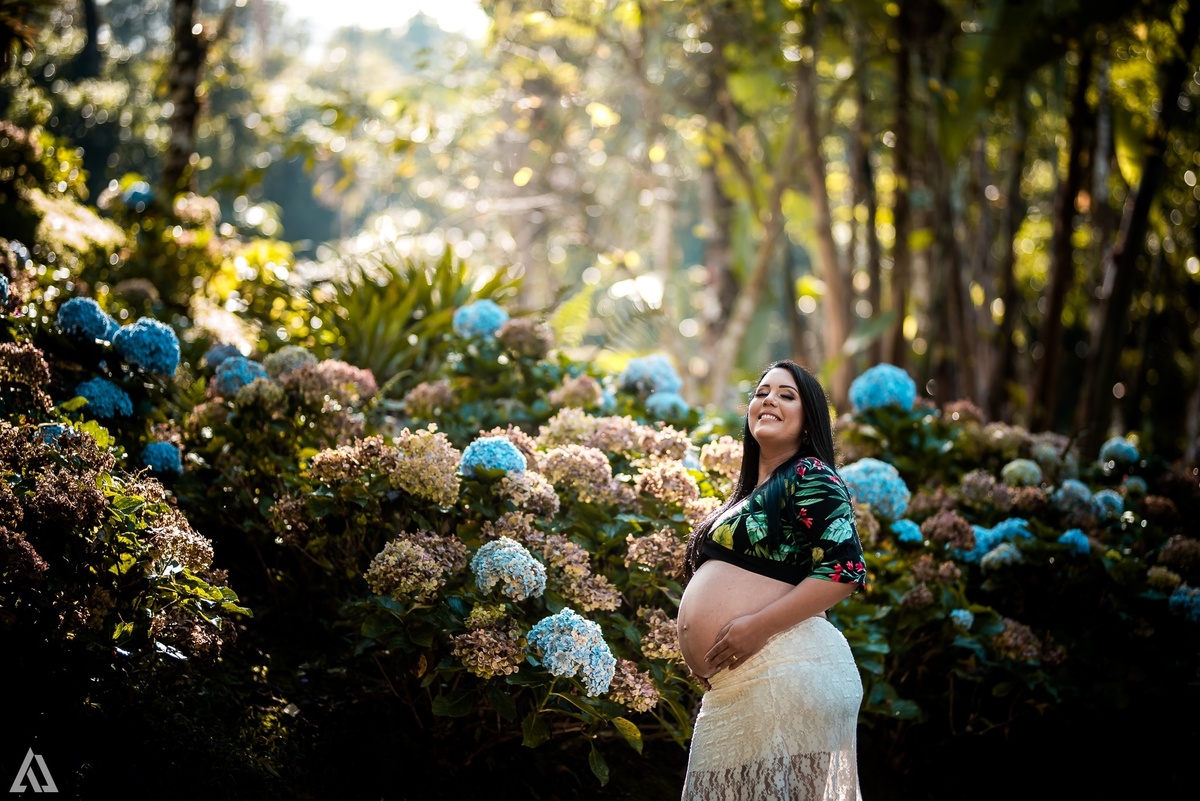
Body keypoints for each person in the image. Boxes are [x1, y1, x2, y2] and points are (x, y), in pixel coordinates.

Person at [677, 359, 867, 800]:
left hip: (787, 669)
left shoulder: (810, 474)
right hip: (747, 680)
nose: (769, 400)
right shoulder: (751, 493)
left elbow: (844, 571)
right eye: (761, 392)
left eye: (786, 395)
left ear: (808, 421)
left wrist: (756, 628)